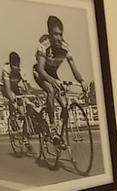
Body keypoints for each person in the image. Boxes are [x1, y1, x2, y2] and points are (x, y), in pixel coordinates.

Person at [35, 15, 86, 144]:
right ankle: (52, 128)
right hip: (40, 73)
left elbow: (74, 69)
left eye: (60, 34)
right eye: (55, 34)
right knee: (51, 91)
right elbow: (41, 70)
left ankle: (60, 138)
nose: (58, 38)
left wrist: (82, 81)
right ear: (49, 34)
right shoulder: (43, 45)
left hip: (53, 74)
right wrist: (52, 81)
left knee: (65, 104)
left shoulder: (65, 47)